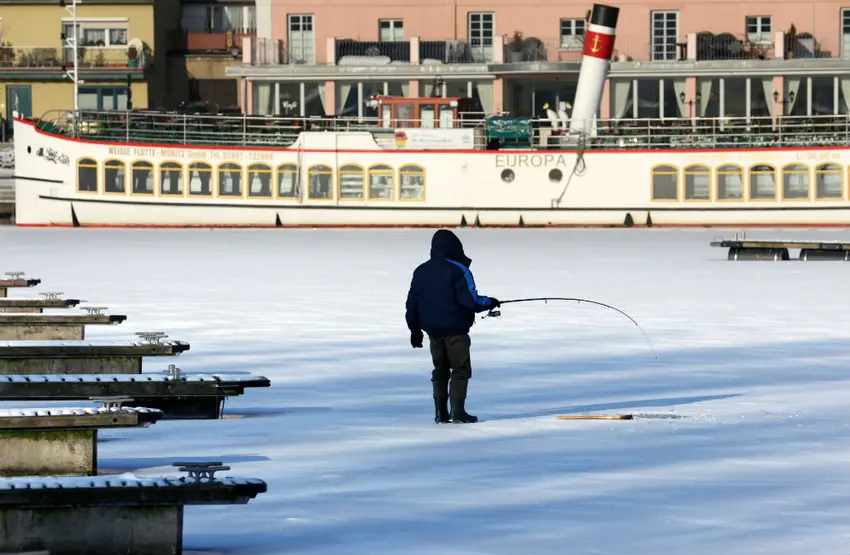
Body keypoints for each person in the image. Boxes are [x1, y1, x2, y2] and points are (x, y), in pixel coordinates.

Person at [405, 229, 500, 424]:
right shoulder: (458, 270)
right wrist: (490, 302)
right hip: (456, 330)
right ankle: (458, 413)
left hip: (432, 331)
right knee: (460, 369)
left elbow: (412, 303)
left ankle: (440, 414)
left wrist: (414, 330)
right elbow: (471, 301)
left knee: (440, 370)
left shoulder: (421, 270)